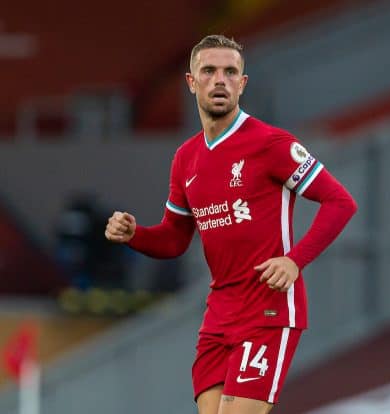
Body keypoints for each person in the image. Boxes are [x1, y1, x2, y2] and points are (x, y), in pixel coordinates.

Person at [105, 34, 357, 414]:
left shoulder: (271, 144)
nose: (219, 79)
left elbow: (340, 201)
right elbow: (174, 239)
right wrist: (134, 235)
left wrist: (294, 260)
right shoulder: (185, 158)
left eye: (230, 72)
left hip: (268, 311)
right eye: (208, 71)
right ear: (192, 82)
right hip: (219, 314)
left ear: (242, 83)